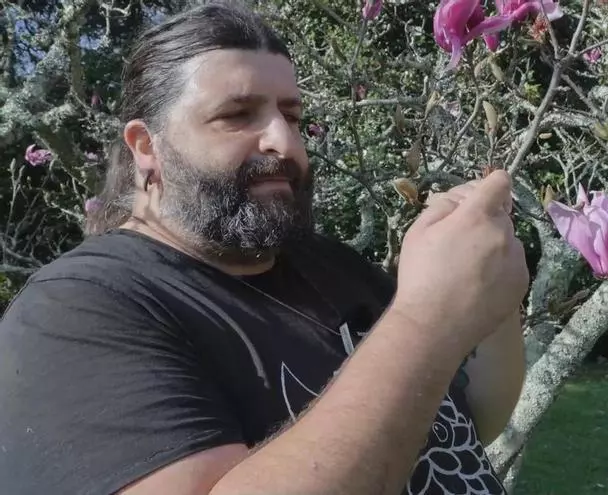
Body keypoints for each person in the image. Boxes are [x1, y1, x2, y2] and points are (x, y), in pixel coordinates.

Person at [0, 2, 530, 495]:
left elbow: (467, 423)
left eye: (292, 116)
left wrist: (489, 297)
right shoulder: (78, 313)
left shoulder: (331, 266)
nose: (284, 140)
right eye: (238, 114)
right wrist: (428, 317)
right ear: (146, 146)